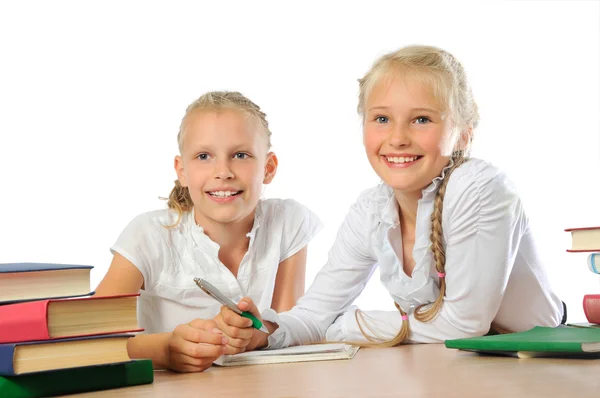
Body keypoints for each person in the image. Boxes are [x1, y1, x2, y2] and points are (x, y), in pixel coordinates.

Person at [216, 45, 565, 352]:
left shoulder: (478, 187)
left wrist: (350, 326)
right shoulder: (372, 210)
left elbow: (464, 324)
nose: (397, 138)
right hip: (456, 367)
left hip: (537, 363)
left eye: (421, 119)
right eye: (382, 118)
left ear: (462, 135)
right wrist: (266, 332)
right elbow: (315, 314)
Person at [94, 91, 322, 371]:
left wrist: (257, 333)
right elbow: (90, 342)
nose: (223, 171)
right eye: (204, 156)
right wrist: (166, 350)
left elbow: (288, 329)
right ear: (182, 171)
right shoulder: (148, 236)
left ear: (269, 167)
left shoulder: (288, 221)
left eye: (240, 155)